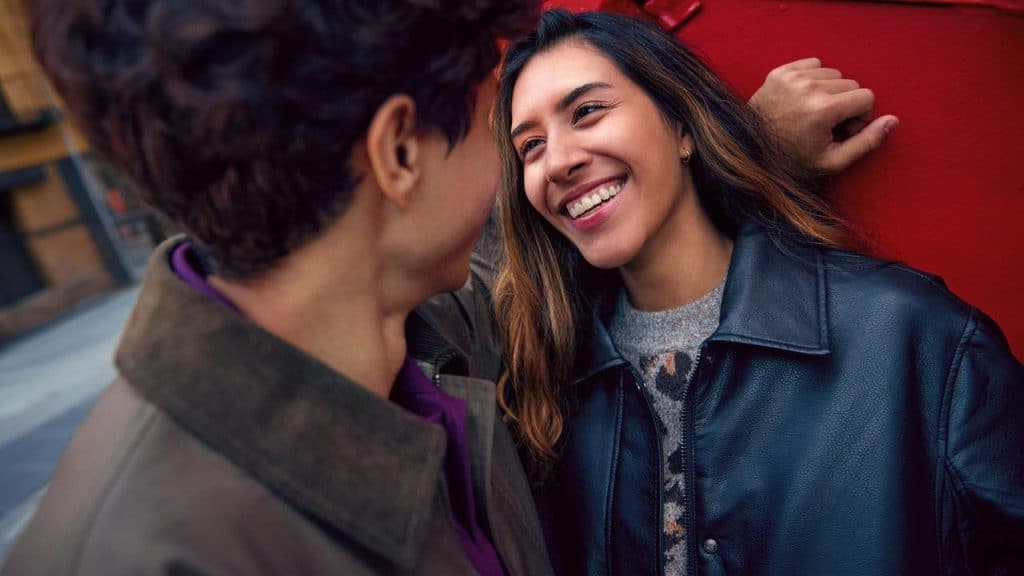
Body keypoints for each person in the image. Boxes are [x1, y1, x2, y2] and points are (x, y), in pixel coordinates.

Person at [2, 1, 551, 574]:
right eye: (494, 121)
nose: (507, 153)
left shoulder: (420, 335)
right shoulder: (132, 555)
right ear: (400, 153)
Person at [493, 9, 1023, 576]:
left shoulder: (912, 337)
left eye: (588, 112)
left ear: (682, 126)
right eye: (531, 146)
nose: (559, 161)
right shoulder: (541, 391)